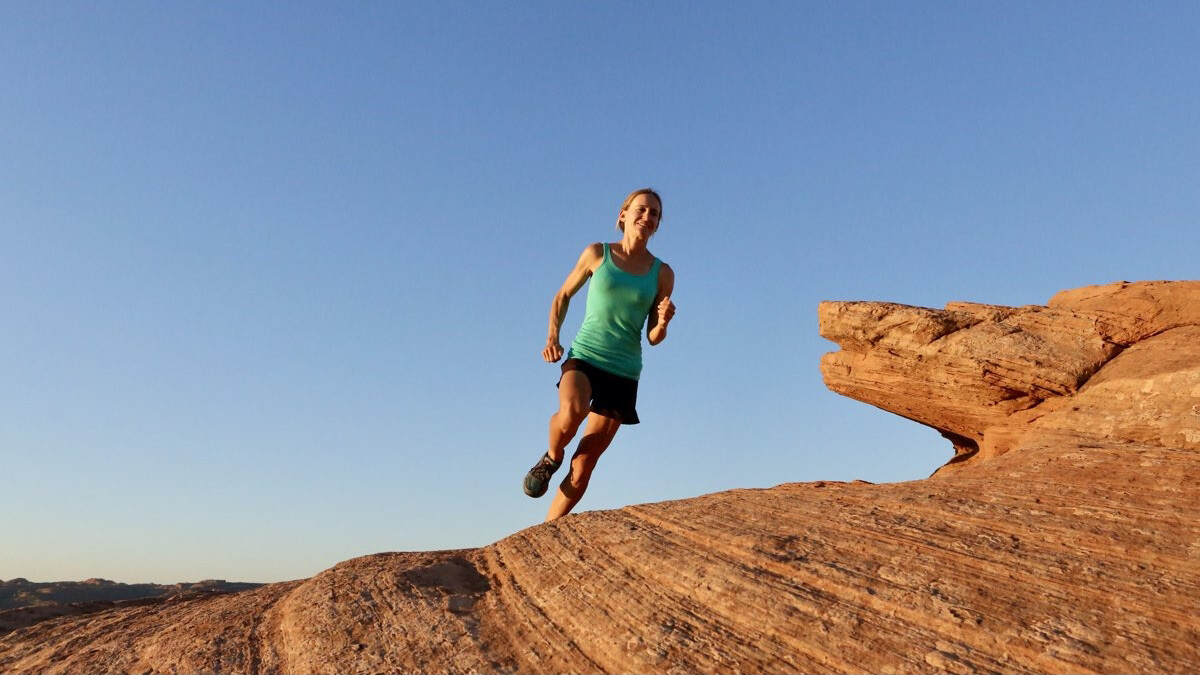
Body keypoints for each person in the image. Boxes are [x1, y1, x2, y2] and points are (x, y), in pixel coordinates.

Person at [522, 188, 676, 522]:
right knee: (572, 412)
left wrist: (663, 322)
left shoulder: (663, 273)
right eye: (641, 209)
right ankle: (551, 457)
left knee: (584, 465)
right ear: (623, 215)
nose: (647, 217)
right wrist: (552, 337)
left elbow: (653, 337)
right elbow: (563, 295)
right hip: (586, 356)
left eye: (654, 214)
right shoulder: (597, 254)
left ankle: (548, 530)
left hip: (625, 370)